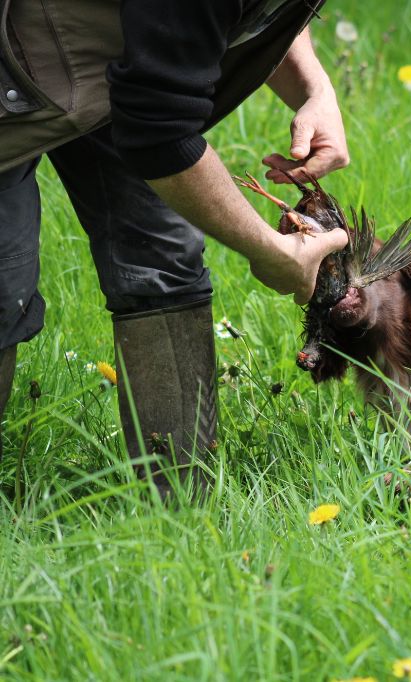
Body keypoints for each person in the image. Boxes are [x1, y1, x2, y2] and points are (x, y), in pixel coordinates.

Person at [0, 0, 350, 494]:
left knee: (161, 259)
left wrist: (315, 87)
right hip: (17, 53)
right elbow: (158, 128)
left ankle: (181, 511)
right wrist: (268, 251)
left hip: (109, 67)